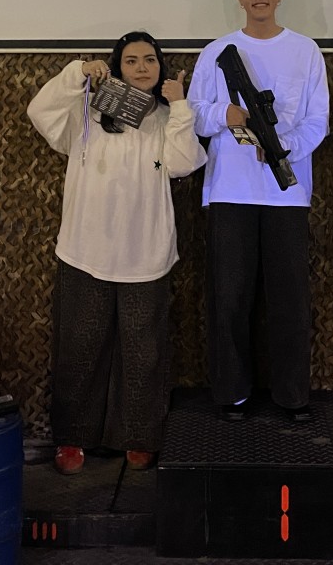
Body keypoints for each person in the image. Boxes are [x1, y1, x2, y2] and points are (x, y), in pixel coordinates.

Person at [27, 31, 206, 474]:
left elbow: (183, 163)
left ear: (161, 67)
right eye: (131, 60)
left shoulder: (165, 117)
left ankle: (139, 437)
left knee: (144, 353)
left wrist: (180, 106)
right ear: (116, 66)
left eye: (150, 59)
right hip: (85, 249)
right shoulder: (86, 112)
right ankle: (72, 437)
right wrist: (77, 73)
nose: (141, 67)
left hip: (145, 253)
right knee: (79, 347)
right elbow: (39, 111)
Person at [187, 0, 329, 421]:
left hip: (287, 194)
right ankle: (231, 392)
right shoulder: (216, 51)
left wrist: (284, 148)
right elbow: (194, 112)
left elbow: (318, 119)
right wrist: (223, 115)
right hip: (230, 191)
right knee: (229, 298)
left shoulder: (305, 50)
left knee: (290, 299)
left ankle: (292, 395)